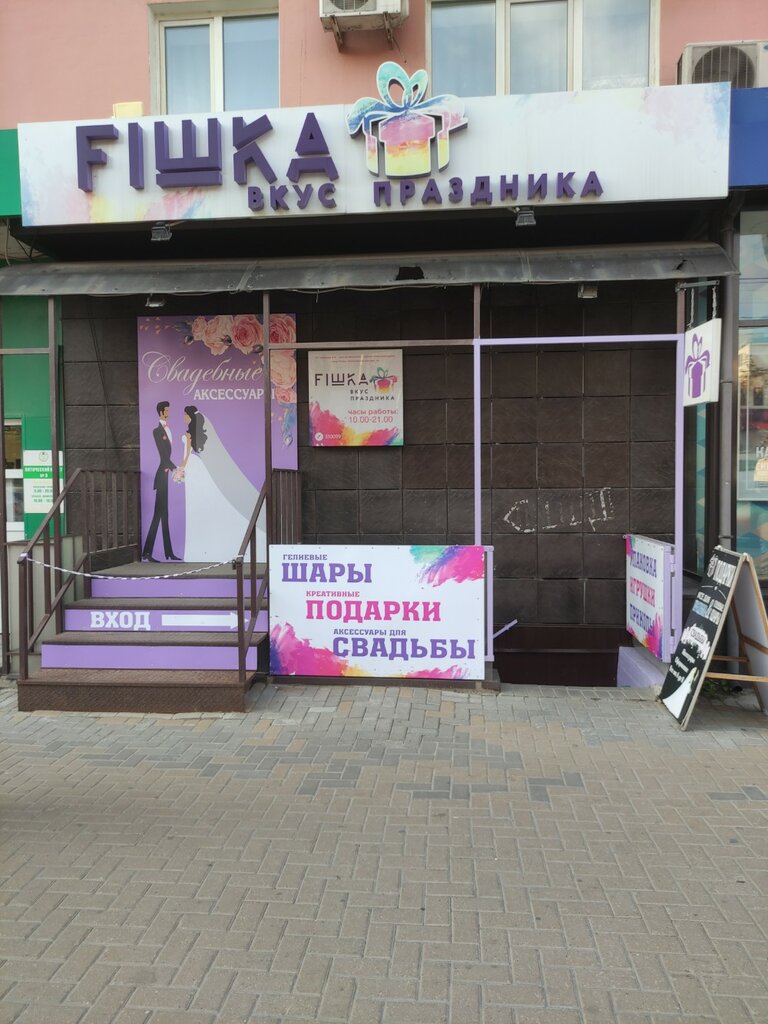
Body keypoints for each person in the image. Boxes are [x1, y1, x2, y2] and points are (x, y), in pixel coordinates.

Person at [178, 405, 265, 561]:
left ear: (189, 416)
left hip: (191, 465)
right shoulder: (195, 432)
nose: (183, 417)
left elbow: (186, 454)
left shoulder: (190, 434)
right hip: (195, 465)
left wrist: (181, 468)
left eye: (185, 415)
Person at [142, 400, 181, 562]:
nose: (168, 412)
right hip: (161, 477)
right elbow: (163, 456)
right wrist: (175, 469)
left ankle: (168, 552)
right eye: (166, 410)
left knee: (163, 515)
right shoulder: (156, 431)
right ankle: (148, 552)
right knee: (159, 514)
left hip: (164, 476)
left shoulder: (168, 429)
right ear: (161, 412)